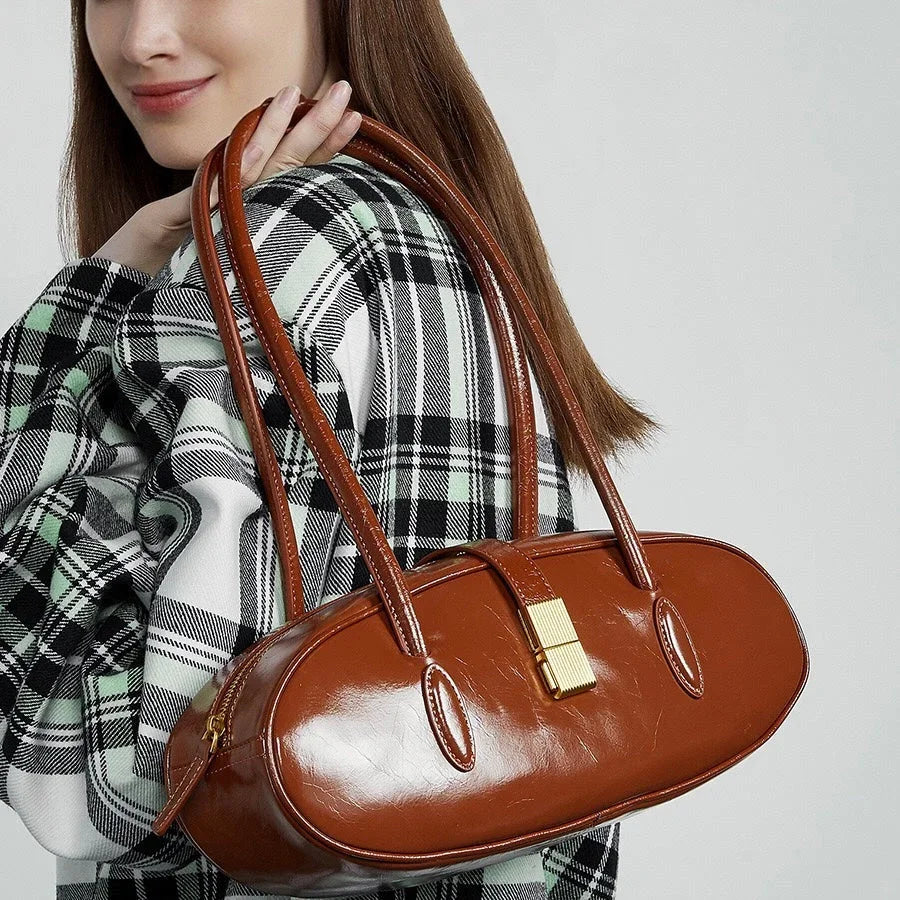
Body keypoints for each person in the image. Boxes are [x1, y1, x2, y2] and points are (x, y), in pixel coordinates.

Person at [0, 2, 661, 899]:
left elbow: (107, 786)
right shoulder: (426, 224)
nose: (139, 38)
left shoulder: (276, 251)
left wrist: (81, 310)